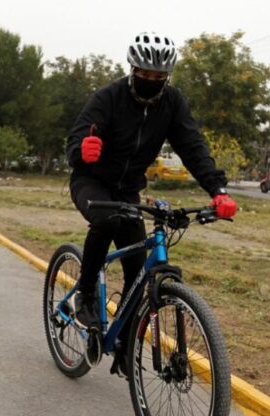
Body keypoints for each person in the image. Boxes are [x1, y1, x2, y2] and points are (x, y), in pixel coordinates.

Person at [66, 31, 237, 373]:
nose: (151, 81)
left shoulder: (172, 104)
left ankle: (125, 344)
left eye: (158, 77)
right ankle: (84, 292)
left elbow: (192, 146)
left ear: (167, 77)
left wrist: (217, 190)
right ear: (133, 69)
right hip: (92, 182)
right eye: (144, 75)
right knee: (106, 220)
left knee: (136, 269)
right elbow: (78, 137)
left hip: (129, 189)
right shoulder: (109, 98)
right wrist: (82, 152)